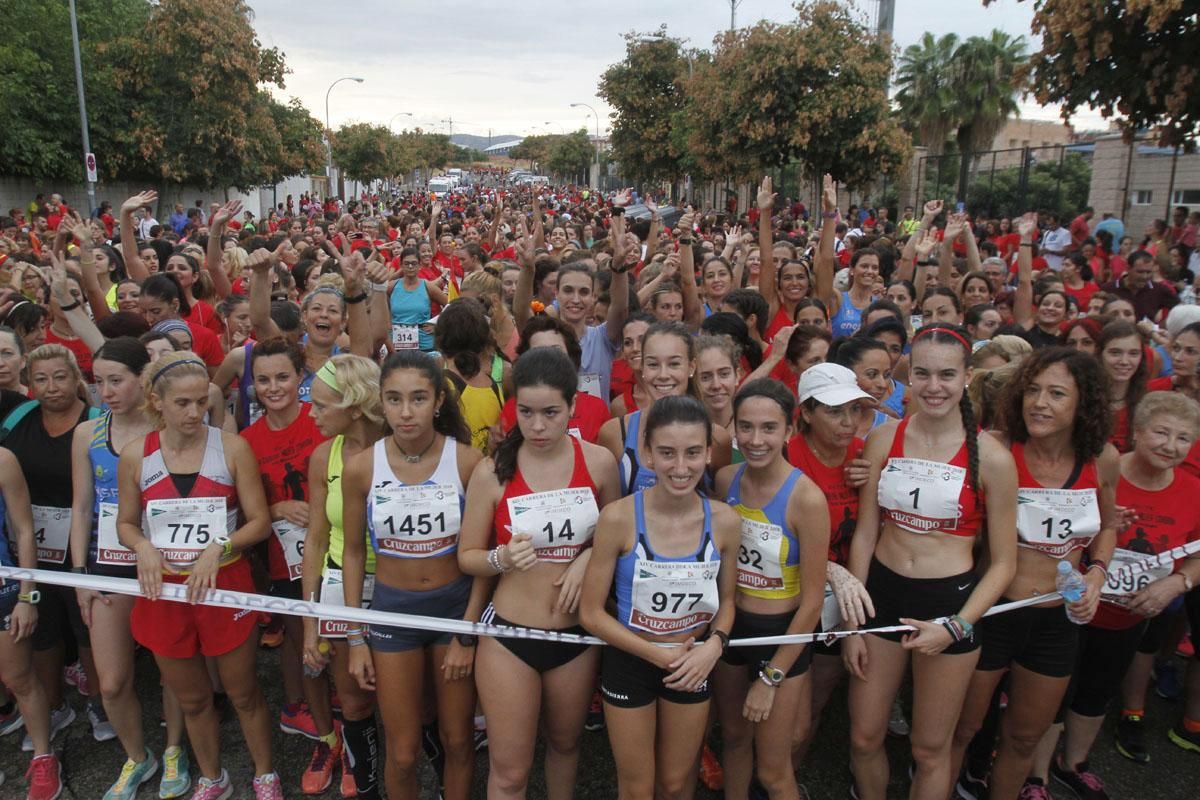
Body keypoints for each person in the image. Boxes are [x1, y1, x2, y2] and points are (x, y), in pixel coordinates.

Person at [843, 324, 1018, 800]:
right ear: (909, 375)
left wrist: (958, 626)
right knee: (863, 735)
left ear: (966, 378)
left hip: (948, 602)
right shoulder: (883, 440)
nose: (933, 386)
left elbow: (1003, 563)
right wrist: (854, 620)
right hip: (880, 593)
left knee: (929, 749)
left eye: (946, 375)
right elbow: (865, 533)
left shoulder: (994, 459)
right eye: (921, 374)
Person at [949, 348, 1119, 800]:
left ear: (1084, 404)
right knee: (963, 730)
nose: (1039, 402)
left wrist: (1097, 575)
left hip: (1057, 620)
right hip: (992, 610)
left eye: (1057, 393)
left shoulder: (1103, 459)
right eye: (1033, 390)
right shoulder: (996, 449)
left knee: (1023, 739)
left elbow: (1110, 526)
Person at [116, 351, 281, 799]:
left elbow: (258, 521)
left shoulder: (231, 448)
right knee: (190, 700)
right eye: (182, 404)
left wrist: (222, 546)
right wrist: (142, 546)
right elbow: (126, 523)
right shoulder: (136, 456)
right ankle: (212, 777)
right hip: (164, 589)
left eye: (201, 404)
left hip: (224, 584)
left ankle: (265, 774)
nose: (194, 413)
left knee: (243, 692)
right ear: (157, 403)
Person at [458, 347, 621, 798]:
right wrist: (501, 559)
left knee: (566, 746)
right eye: (526, 413)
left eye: (551, 412)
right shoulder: (493, 472)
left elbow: (619, 536)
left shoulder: (600, 464)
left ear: (572, 406)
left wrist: (587, 558)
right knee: (509, 772)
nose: (537, 425)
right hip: (510, 636)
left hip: (575, 636)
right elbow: (467, 555)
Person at [341, 351, 485, 800]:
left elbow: (483, 554)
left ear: (439, 401)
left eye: (418, 398)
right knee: (402, 753)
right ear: (380, 403)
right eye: (395, 399)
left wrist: (468, 631)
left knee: (458, 740)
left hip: (453, 612)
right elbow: (351, 552)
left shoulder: (468, 462)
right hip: (393, 614)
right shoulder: (362, 467)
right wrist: (355, 636)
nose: (406, 412)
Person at [580, 395, 740, 798]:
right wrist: (655, 653)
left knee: (676, 783)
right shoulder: (617, 517)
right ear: (647, 454)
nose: (681, 467)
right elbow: (590, 613)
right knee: (636, 787)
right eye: (667, 453)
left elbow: (728, 602)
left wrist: (713, 647)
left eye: (692, 453)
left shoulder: (724, 522)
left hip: (692, 662)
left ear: (708, 453)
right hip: (631, 660)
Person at [1046, 392, 1200, 798]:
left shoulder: (1193, 490)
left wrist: (1177, 583)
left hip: (1128, 618)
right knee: (1053, 693)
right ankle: (1033, 775)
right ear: (1136, 431)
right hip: (1069, 609)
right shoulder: (1103, 471)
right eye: (1161, 433)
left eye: (1183, 438)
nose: (1171, 446)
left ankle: (1074, 764)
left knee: (1098, 690)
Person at [67, 338, 190, 800]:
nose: (105, 392)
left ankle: (175, 748)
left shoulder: (168, 429)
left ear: (143, 379)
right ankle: (138, 757)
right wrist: (79, 574)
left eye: (115, 380)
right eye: (98, 382)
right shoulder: (88, 434)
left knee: (171, 671)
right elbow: (80, 508)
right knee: (112, 681)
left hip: (164, 561)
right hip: (106, 566)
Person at [714, 379, 830, 800]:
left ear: (790, 430)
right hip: (730, 627)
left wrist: (772, 676)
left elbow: (813, 601)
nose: (755, 440)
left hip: (782, 632)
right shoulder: (725, 478)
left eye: (768, 428)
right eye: (745, 427)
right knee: (733, 739)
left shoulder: (807, 500)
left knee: (774, 770)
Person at [238, 337, 337, 783]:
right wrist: (276, 509)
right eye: (263, 380)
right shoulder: (246, 441)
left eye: (282, 376)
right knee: (307, 650)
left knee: (351, 643)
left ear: (301, 377)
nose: (273, 387)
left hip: (337, 552)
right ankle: (325, 739)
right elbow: (242, 508)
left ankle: (356, 733)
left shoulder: (321, 422)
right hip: (286, 562)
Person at [1, 344, 102, 749]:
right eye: (40, 379)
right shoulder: (17, 418)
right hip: (27, 543)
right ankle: (55, 704)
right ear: (29, 381)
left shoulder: (95, 421)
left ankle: (99, 701)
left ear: (76, 376)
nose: (51, 387)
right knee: (42, 628)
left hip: (83, 544)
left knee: (86, 627)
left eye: (60, 377)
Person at [300, 353, 387, 798]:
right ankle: (365, 777)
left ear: (355, 405)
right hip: (339, 582)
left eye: (319, 404)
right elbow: (314, 540)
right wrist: (309, 622)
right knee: (353, 701)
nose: (310, 413)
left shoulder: (402, 444)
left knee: (412, 701)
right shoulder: (324, 455)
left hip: (398, 588)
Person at [784, 364, 874, 767]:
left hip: (844, 603)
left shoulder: (865, 456)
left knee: (817, 696)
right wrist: (832, 572)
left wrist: (874, 481)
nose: (848, 422)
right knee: (785, 707)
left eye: (854, 410)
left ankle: (790, 774)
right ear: (806, 412)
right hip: (790, 595)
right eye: (835, 411)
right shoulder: (786, 455)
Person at [598, 322, 733, 496]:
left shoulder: (717, 438)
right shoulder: (615, 433)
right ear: (643, 368)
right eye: (653, 365)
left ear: (691, 367)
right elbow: (611, 511)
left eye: (674, 364)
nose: (663, 375)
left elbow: (717, 507)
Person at [0, 445, 60, 800]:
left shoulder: (3, 459)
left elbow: (24, 530)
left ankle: (44, 756)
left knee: (19, 678)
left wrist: (27, 596)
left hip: (5, 586)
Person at [756, 178, 815, 342]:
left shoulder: (816, 308)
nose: (794, 283)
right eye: (787, 277)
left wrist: (829, 213)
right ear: (780, 282)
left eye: (800, 277)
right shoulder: (772, 307)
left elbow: (826, 259)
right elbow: (765, 261)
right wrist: (765, 212)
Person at [1097, 321, 1149, 452]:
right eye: (1115, 353)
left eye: (1133, 353)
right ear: (1100, 354)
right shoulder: (1082, 398)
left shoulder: (1147, 404)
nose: (1124, 361)